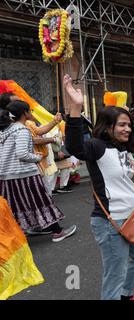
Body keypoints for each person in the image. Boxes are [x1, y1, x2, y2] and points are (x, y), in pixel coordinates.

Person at [64, 74, 134, 300]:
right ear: (108, 127)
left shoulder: (124, 147)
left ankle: (126, 295)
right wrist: (76, 108)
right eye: (122, 125)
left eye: (129, 125)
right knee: (115, 274)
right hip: (110, 222)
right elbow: (73, 146)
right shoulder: (96, 147)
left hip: (130, 217)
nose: (127, 129)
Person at [0, 101, 76, 242]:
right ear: (24, 113)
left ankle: (29, 229)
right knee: (41, 201)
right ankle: (57, 232)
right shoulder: (21, 130)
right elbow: (22, 154)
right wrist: (37, 157)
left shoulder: (5, 130)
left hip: (7, 176)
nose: (31, 114)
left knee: (17, 206)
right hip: (24, 175)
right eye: (30, 111)